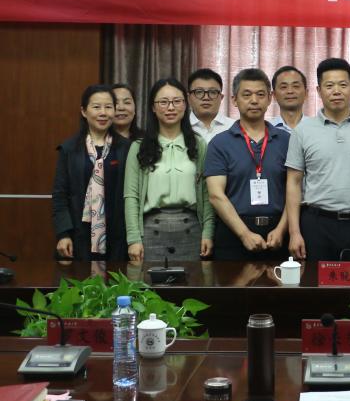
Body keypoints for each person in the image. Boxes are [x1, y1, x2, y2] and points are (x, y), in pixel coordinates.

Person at [285, 57, 350, 267]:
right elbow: (293, 182)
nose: (336, 91)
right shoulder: (303, 130)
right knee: (316, 284)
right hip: (316, 224)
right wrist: (294, 232)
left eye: (343, 85)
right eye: (329, 85)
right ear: (318, 90)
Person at [124, 78, 215, 262]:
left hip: (192, 231)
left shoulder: (199, 144)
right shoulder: (139, 147)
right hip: (150, 232)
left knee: (194, 280)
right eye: (163, 102)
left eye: (177, 101)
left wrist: (208, 232)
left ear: (185, 104)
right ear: (153, 107)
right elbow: (131, 196)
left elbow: (207, 194)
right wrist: (133, 238)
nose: (171, 107)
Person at [205, 68, 290, 261]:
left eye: (260, 94)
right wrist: (244, 234)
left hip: (278, 232)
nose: (254, 100)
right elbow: (216, 195)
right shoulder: (219, 143)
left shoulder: (287, 141)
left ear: (270, 99)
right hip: (233, 231)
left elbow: (295, 190)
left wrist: (282, 229)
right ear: (234, 100)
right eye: (247, 95)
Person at [52, 84, 131, 261]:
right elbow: (60, 195)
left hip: (118, 238)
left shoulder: (126, 148)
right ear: (84, 111)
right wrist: (63, 234)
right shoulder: (69, 149)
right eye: (96, 107)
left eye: (108, 107)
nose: (103, 113)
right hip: (78, 237)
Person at [187, 68, 232, 142]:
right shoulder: (178, 128)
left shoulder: (234, 127)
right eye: (199, 92)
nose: (206, 97)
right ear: (188, 98)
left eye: (212, 92)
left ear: (221, 97)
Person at [267, 65, 308, 133]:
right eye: (283, 87)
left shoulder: (317, 128)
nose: (290, 91)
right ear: (274, 95)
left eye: (296, 86)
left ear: (306, 93)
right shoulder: (266, 130)